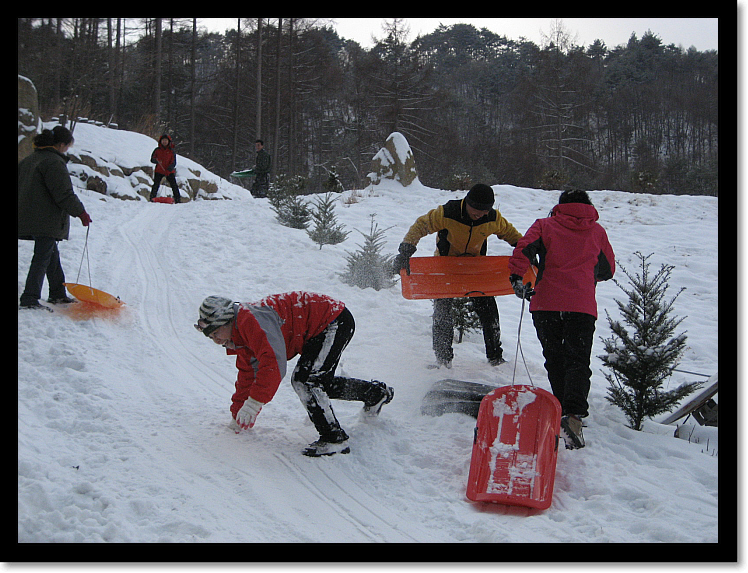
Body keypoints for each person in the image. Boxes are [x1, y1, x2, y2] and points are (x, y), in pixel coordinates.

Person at [195, 292, 394, 457]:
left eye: (215, 333)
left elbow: (272, 365)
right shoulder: (241, 337)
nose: (215, 340)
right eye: (210, 337)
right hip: (322, 326)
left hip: (332, 320)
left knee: (306, 381)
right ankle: (374, 394)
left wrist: (254, 404)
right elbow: (248, 375)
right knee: (317, 381)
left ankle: (334, 439)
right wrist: (239, 414)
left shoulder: (251, 322)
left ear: (226, 322)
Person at [508, 189, 615, 450]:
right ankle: (574, 417)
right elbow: (608, 269)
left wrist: (517, 279)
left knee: (555, 356)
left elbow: (523, 251)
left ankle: (559, 408)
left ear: (561, 205)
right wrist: (584, 277)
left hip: (546, 303)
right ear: (588, 206)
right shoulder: (597, 231)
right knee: (578, 359)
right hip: (581, 305)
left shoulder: (544, 225)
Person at [392, 184, 523, 367]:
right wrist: (406, 250)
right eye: (476, 212)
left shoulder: (492, 218)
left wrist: (526, 250)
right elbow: (421, 225)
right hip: (446, 267)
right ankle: (443, 360)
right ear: (467, 203)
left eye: (484, 212)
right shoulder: (447, 213)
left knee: (489, 311)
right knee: (442, 312)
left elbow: (511, 234)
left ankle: (495, 357)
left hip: (474, 269)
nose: (480, 215)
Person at [18, 126, 92, 310]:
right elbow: (64, 193)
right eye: (67, 146)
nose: (67, 150)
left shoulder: (29, 160)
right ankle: (29, 298)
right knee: (42, 256)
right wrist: (81, 213)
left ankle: (57, 294)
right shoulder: (53, 163)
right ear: (60, 144)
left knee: (50, 253)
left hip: (27, 214)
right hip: (44, 217)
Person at [149, 134, 181, 203]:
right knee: (156, 185)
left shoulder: (172, 151)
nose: (164, 142)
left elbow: (174, 162)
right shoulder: (157, 150)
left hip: (169, 171)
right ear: (161, 141)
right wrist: (156, 160)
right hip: (159, 170)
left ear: (168, 141)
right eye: (163, 140)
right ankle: (152, 198)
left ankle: (178, 199)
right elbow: (152, 159)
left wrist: (170, 168)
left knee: (174, 185)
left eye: (166, 140)